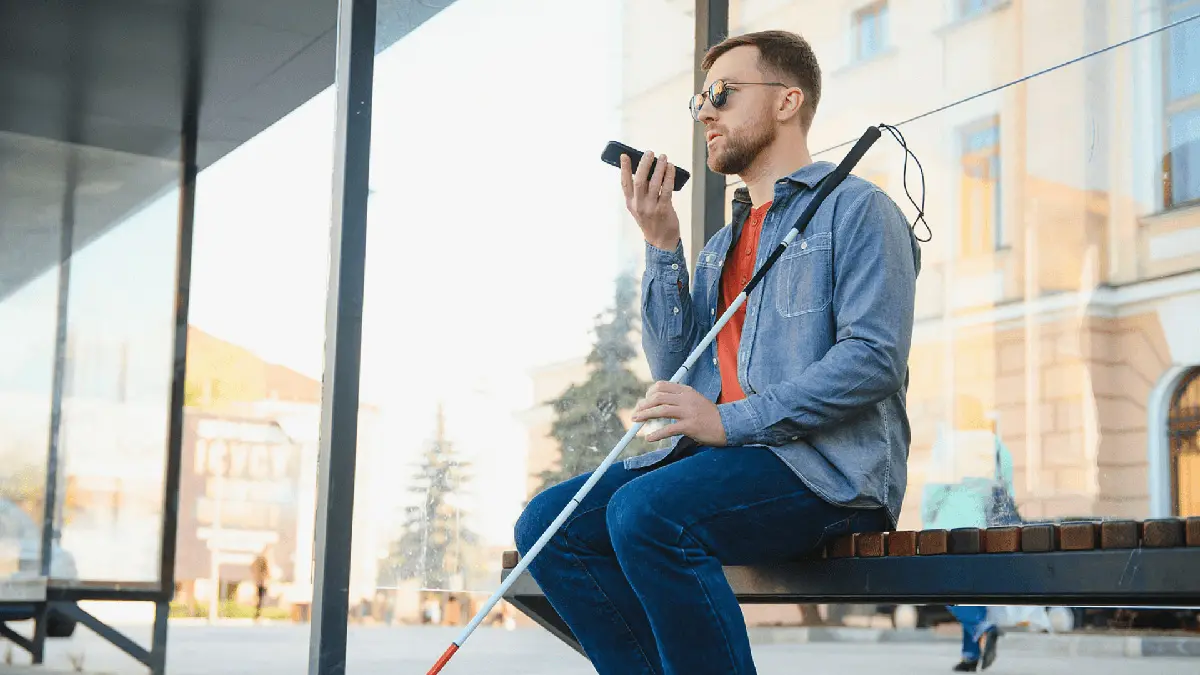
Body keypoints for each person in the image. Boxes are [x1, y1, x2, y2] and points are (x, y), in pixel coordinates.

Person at [514, 29, 921, 675]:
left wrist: (727, 421)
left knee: (647, 511)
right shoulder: (719, 247)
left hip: (827, 472)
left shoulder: (858, 209)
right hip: (729, 463)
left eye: (723, 94)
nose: (705, 111)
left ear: (787, 101)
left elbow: (873, 358)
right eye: (700, 99)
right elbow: (676, 365)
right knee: (548, 524)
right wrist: (660, 243)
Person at [921, 396, 1014, 671]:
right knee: (971, 590)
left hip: (948, 526)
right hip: (980, 526)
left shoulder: (949, 443)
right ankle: (971, 655)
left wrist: (926, 517)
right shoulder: (996, 446)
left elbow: (934, 488)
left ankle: (983, 628)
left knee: (944, 588)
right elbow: (1008, 490)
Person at [250, 547, 271, 621]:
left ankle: (258, 613)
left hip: (260, 582)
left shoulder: (258, 561)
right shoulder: (261, 561)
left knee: (260, 598)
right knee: (260, 598)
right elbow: (267, 572)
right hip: (261, 582)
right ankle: (258, 614)